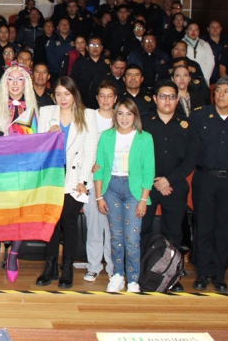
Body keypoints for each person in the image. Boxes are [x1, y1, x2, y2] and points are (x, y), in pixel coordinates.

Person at [190, 76, 228, 292]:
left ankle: (218, 273)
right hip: (205, 178)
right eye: (218, 91)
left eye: (226, 91)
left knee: (224, 227)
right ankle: (202, 272)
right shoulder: (199, 116)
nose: (221, 95)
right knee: (204, 225)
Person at [36, 76, 99, 288]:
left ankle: (68, 267)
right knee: (51, 222)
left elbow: (91, 150)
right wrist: (48, 134)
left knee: (69, 221)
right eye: (58, 94)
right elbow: (38, 146)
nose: (63, 98)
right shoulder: (46, 113)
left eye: (67, 93)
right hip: (52, 175)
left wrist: (83, 180)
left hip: (76, 176)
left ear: (74, 94)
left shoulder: (87, 114)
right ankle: (50, 267)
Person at [0, 63, 38, 282]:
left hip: (22, 171)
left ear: (26, 83)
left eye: (20, 79)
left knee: (18, 215)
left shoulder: (33, 110)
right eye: (11, 79)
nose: (15, 84)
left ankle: (13, 255)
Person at [140, 80, 198, 291]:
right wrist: (155, 181)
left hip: (175, 186)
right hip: (146, 186)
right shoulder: (143, 122)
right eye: (163, 96)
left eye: (172, 97)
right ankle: (142, 274)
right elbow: (136, 156)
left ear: (177, 99)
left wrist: (169, 180)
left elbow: (191, 159)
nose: (167, 101)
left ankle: (172, 276)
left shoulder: (187, 125)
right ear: (155, 99)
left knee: (174, 232)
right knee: (143, 229)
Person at [94, 98, 155, 292]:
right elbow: (99, 167)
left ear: (135, 116)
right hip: (111, 188)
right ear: (115, 115)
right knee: (116, 236)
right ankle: (118, 275)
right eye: (120, 113)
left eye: (129, 113)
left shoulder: (145, 138)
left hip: (134, 191)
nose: (124, 118)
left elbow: (149, 172)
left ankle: (133, 279)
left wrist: (143, 199)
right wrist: (99, 197)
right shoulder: (107, 136)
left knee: (132, 238)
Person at [84, 79, 117, 283]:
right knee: (94, 227)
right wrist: (89, 166)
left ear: (115, 98)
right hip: (91, 180)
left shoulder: (122, 118)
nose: (106, 100)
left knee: (114, 229)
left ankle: (113, 267)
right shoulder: (88, 118)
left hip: (116, 181)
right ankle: (94, 266)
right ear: (97, 98)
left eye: (109, 96)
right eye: (102, 96)